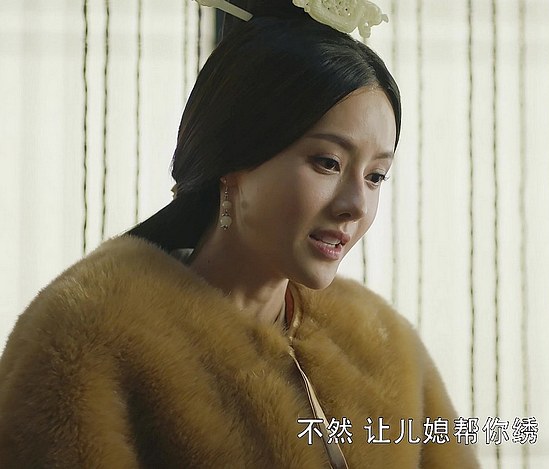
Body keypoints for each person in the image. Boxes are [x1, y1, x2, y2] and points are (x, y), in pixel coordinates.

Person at [0, 1, 479, 467]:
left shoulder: (383, 344)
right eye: (327, 162)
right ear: (233, 162)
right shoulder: (87, 341)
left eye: (375, 176)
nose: (355, 204)